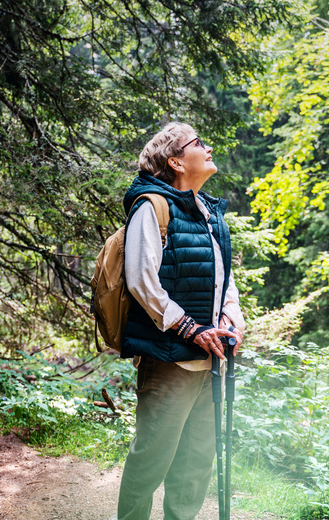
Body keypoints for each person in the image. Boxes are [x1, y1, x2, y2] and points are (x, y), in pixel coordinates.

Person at [116, 122, 245, 520]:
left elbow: (226, 282)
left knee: (194, 465)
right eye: (197, 143)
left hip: (210, 360)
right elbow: (141, 279)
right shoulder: (152, 206)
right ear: (175, 160)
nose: (207, 148)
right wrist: (190, 328)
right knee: (151, 460)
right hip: (170, 359)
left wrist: (230, 319)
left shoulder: (208, 212)